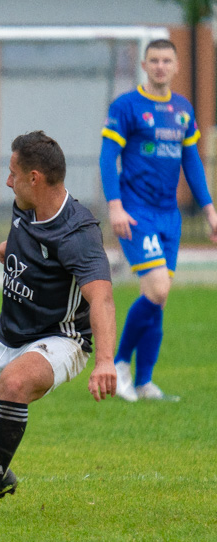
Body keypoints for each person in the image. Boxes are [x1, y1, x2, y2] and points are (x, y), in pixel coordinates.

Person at [0, 131, 117, 529]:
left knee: (13, 384)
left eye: (12, 172)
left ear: (34, 177)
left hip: (60, 339)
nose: (6, 180)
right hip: (9, 330)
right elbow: (24, 242)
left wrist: (105, 361)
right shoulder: (25, 203)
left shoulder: (77, 233)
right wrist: (8, 251)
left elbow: (101, 299)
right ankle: (0, 477)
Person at [100, 38, 217, 402]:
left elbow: (192, 162)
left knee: (158, 300)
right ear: (144, 65)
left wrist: (210, 210)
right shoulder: (126, 106)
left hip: (170, 217)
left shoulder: (182, 109)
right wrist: (116, 207)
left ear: (177, 66)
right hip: (136, 213)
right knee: (158, 289)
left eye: (167, 60)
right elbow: (108, 158)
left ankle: (145, 381)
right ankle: (120, 364)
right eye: (154, 60)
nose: (161, 66)